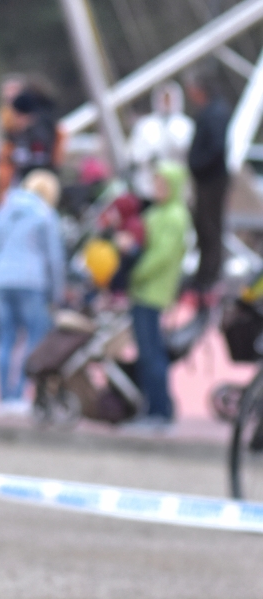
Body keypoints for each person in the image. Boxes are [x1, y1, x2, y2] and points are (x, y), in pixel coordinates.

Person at [0, 169, 65, 412]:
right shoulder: (45, 214)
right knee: (33, 339)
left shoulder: (4, 209)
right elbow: (54, 258)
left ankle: (4, 397)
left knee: (5, 339)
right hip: (32, 281)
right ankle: (21, 395)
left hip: (1, 279)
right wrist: (57, 293)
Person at [123, 161, 191, 427]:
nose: (158, 188)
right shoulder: (157, 211)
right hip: (143, 290)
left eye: (163, 183)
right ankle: (153, 408)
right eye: (156, 183)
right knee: (147, 353)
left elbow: (161, 256)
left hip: (152, 292)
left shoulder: (174, 215)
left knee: (152, 354)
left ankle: (159, 412)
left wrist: (133, 273)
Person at [185, 76, 231, 304]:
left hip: (211, 180)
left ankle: (209, 278)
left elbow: (216, 146)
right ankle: (204, 274)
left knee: (210, 227)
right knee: (204, 227)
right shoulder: (211, 111)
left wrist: (197, 164)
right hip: (207, 179)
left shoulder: (215, 113)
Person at [128, 81, 193, 200]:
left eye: (169, 99)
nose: (165, 103)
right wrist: (149, 157)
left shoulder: (186, 125)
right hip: (150, 185)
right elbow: (135, 153)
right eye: (163, 99)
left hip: (179, 185)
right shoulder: (145, 125)